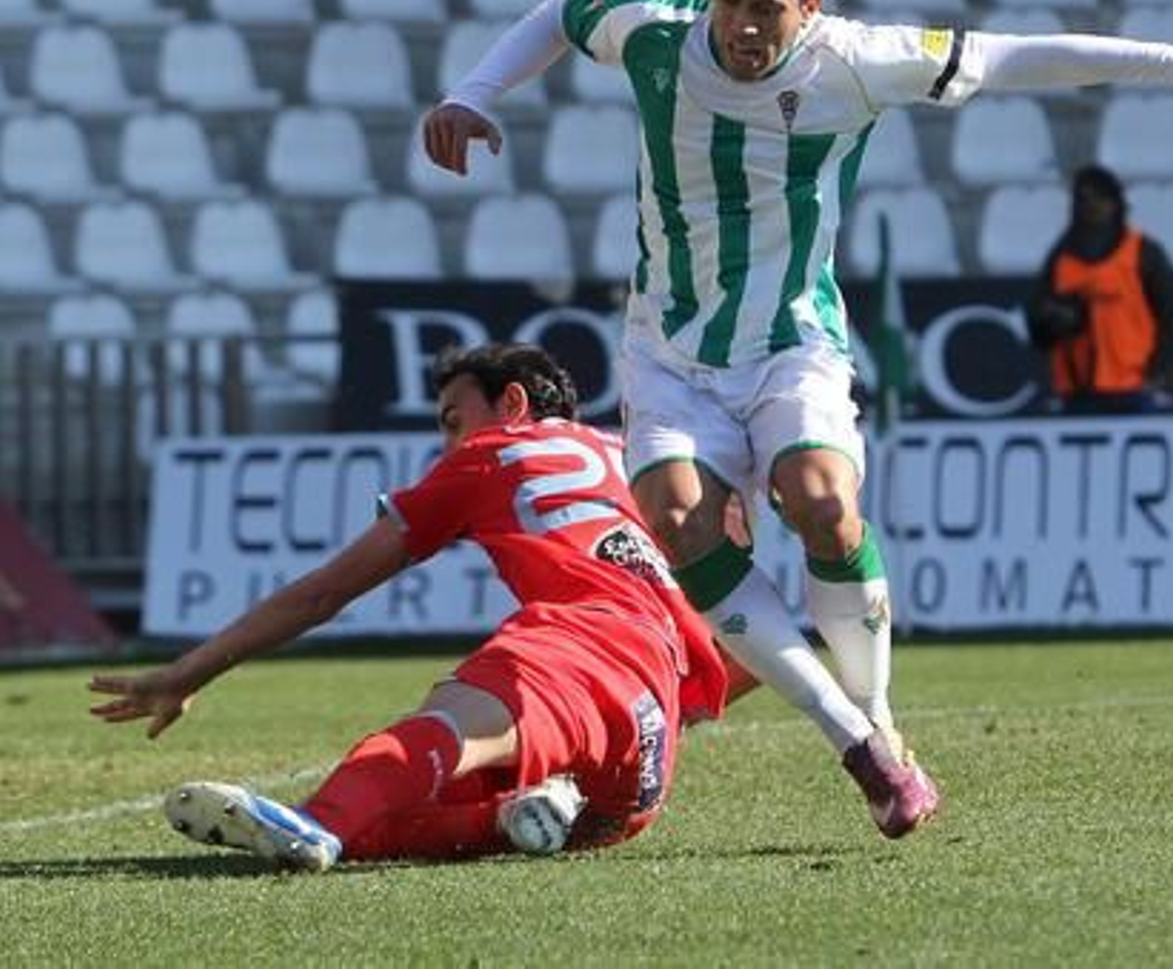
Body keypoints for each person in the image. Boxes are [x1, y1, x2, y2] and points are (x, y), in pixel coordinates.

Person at [421, 0, 1173, 839]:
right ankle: (856, 737)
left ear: (809, 3)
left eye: (767, 5)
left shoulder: (856, 59)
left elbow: (1016, 58)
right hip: (669, 353)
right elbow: (560, 13)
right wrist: (473, 92)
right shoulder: (653, 29)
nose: (743, 24)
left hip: (794, 340)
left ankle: (876, 713)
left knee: (823, 503)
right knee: (682, 522)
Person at [88, 343, 748, 870]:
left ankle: (315, 821)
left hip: (584, 643)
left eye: (455, 421)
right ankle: (517, 812)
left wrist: (189, 671)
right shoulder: (639, 458)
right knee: (409, 810)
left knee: (445, 726)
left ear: (512, 402)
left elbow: (324, 591)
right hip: (644, 766)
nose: (449, 446)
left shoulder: (497, 451)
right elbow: (737, 628)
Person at [1025, 166, 1173, 416]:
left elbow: (1172, 318)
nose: (1092, 206)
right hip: (1077, 392)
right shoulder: (1061, 256)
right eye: (1083, 199)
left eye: (1100, 198)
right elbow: (1036, 322)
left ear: (1116, 204)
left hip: (1132, 389)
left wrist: (1155, 371)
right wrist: (1056, 320)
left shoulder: (1143, 252)